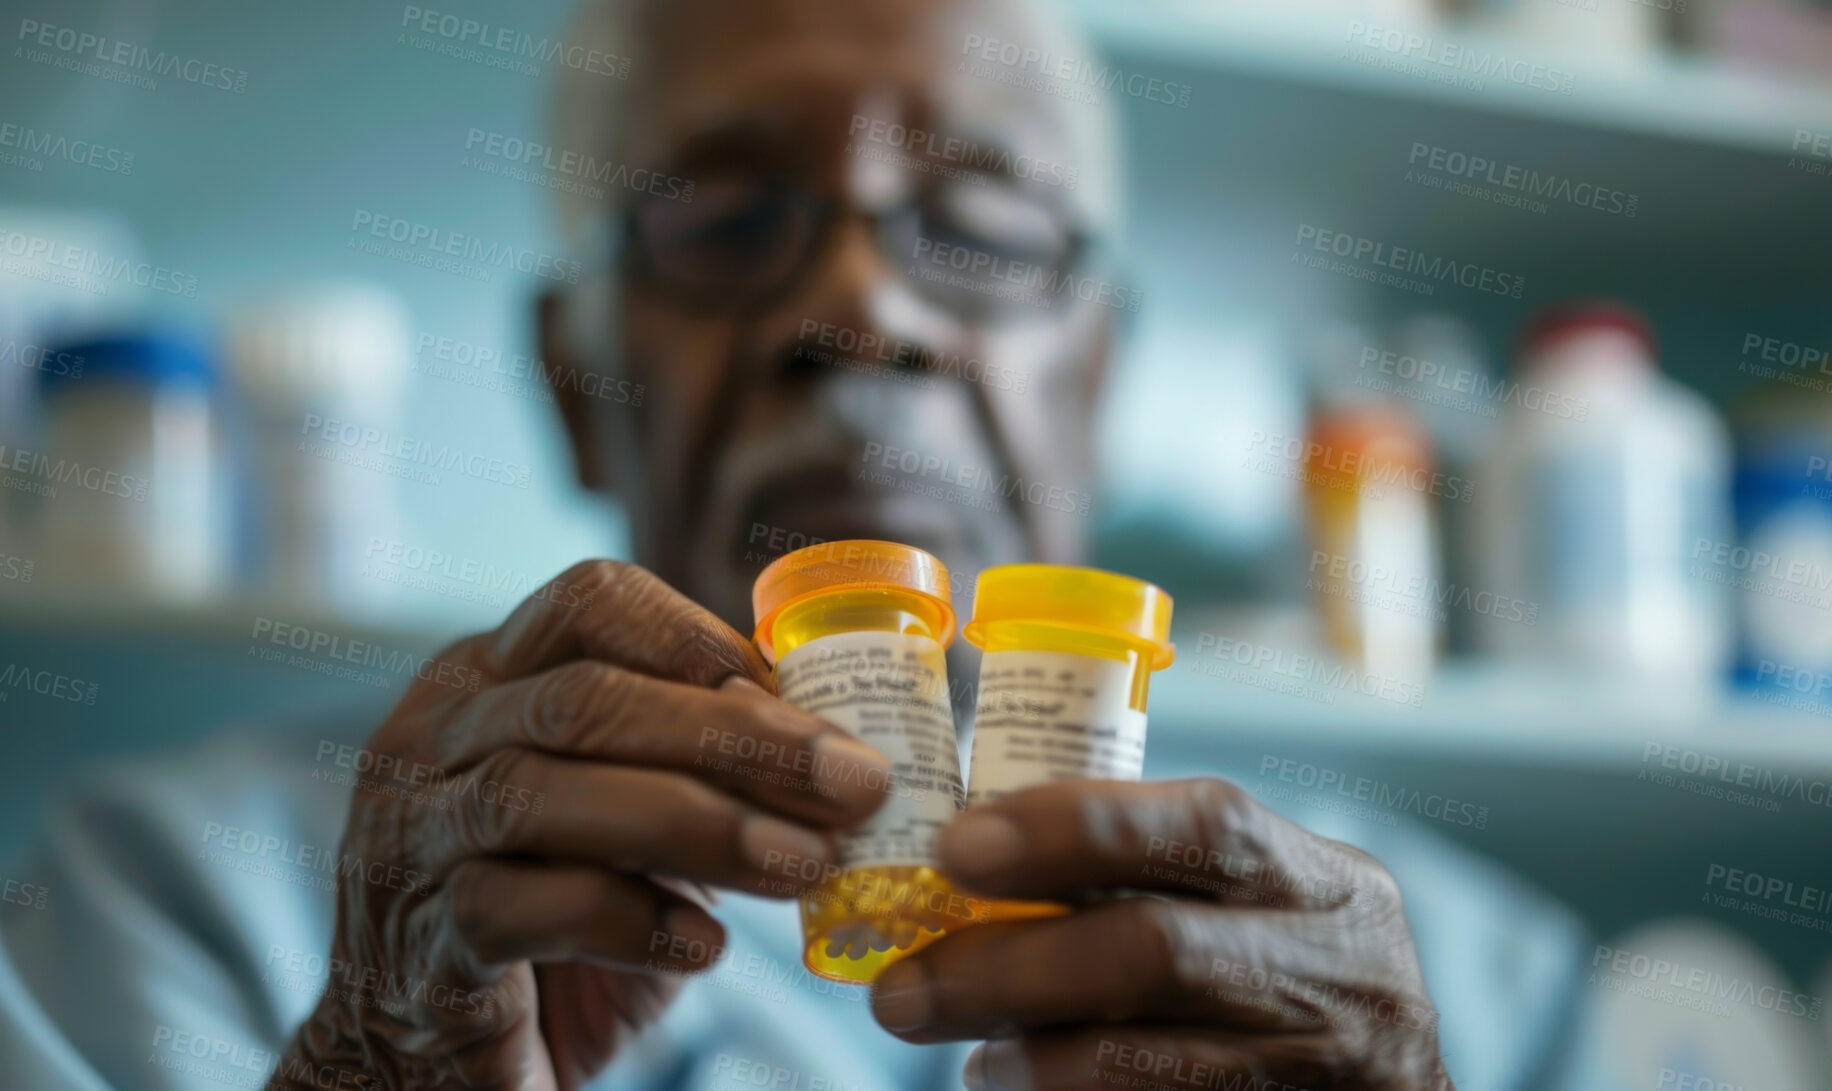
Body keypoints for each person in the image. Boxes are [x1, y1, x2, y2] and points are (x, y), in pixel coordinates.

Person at [0, 0, 1595, 1087]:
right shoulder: (186, 892)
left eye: (977, 230)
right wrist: (367, 1062)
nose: (861, 312)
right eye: (725, 220)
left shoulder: (1451, 976)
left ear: (1096, 380)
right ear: (576, 384)